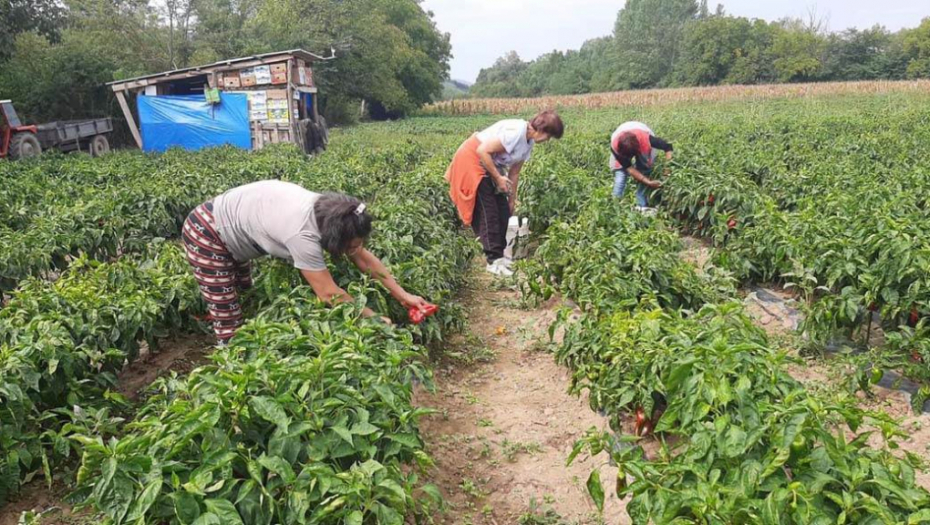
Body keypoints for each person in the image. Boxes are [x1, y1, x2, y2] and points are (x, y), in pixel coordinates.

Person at [182, 180, 430, 344]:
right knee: (229, 319)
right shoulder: (302, 234)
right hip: (208, 232)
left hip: (240, 224)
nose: (356, 250)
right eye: (351, 245)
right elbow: (328, 293)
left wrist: (402, 295)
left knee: (245, 293)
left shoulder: (331, 213)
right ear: (334, 239)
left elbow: (362, 257)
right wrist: (374, 319)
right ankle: (231, 373)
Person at [446, 110, 565, 276]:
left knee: (503, 212)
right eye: (549, 135)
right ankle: (493, 261)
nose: (547, 140)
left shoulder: (528, 143)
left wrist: (511, 199)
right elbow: (482, 151)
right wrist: (498, 178)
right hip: (472, 159)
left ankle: (500, 257)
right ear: (540, 129)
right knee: (489, 212)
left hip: (489, 165)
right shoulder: (516, 132)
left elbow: (514, 173)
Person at [609, 121, 673, 208]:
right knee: (620, 176)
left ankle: (642, 205)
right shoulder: (615, 146)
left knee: (644, 169)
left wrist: (667, 170)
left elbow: (668, 146)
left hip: (642, 135)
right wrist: (649, 182)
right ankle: (614, 207)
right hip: (621, 134)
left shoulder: (648, 140)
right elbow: (629, 168)